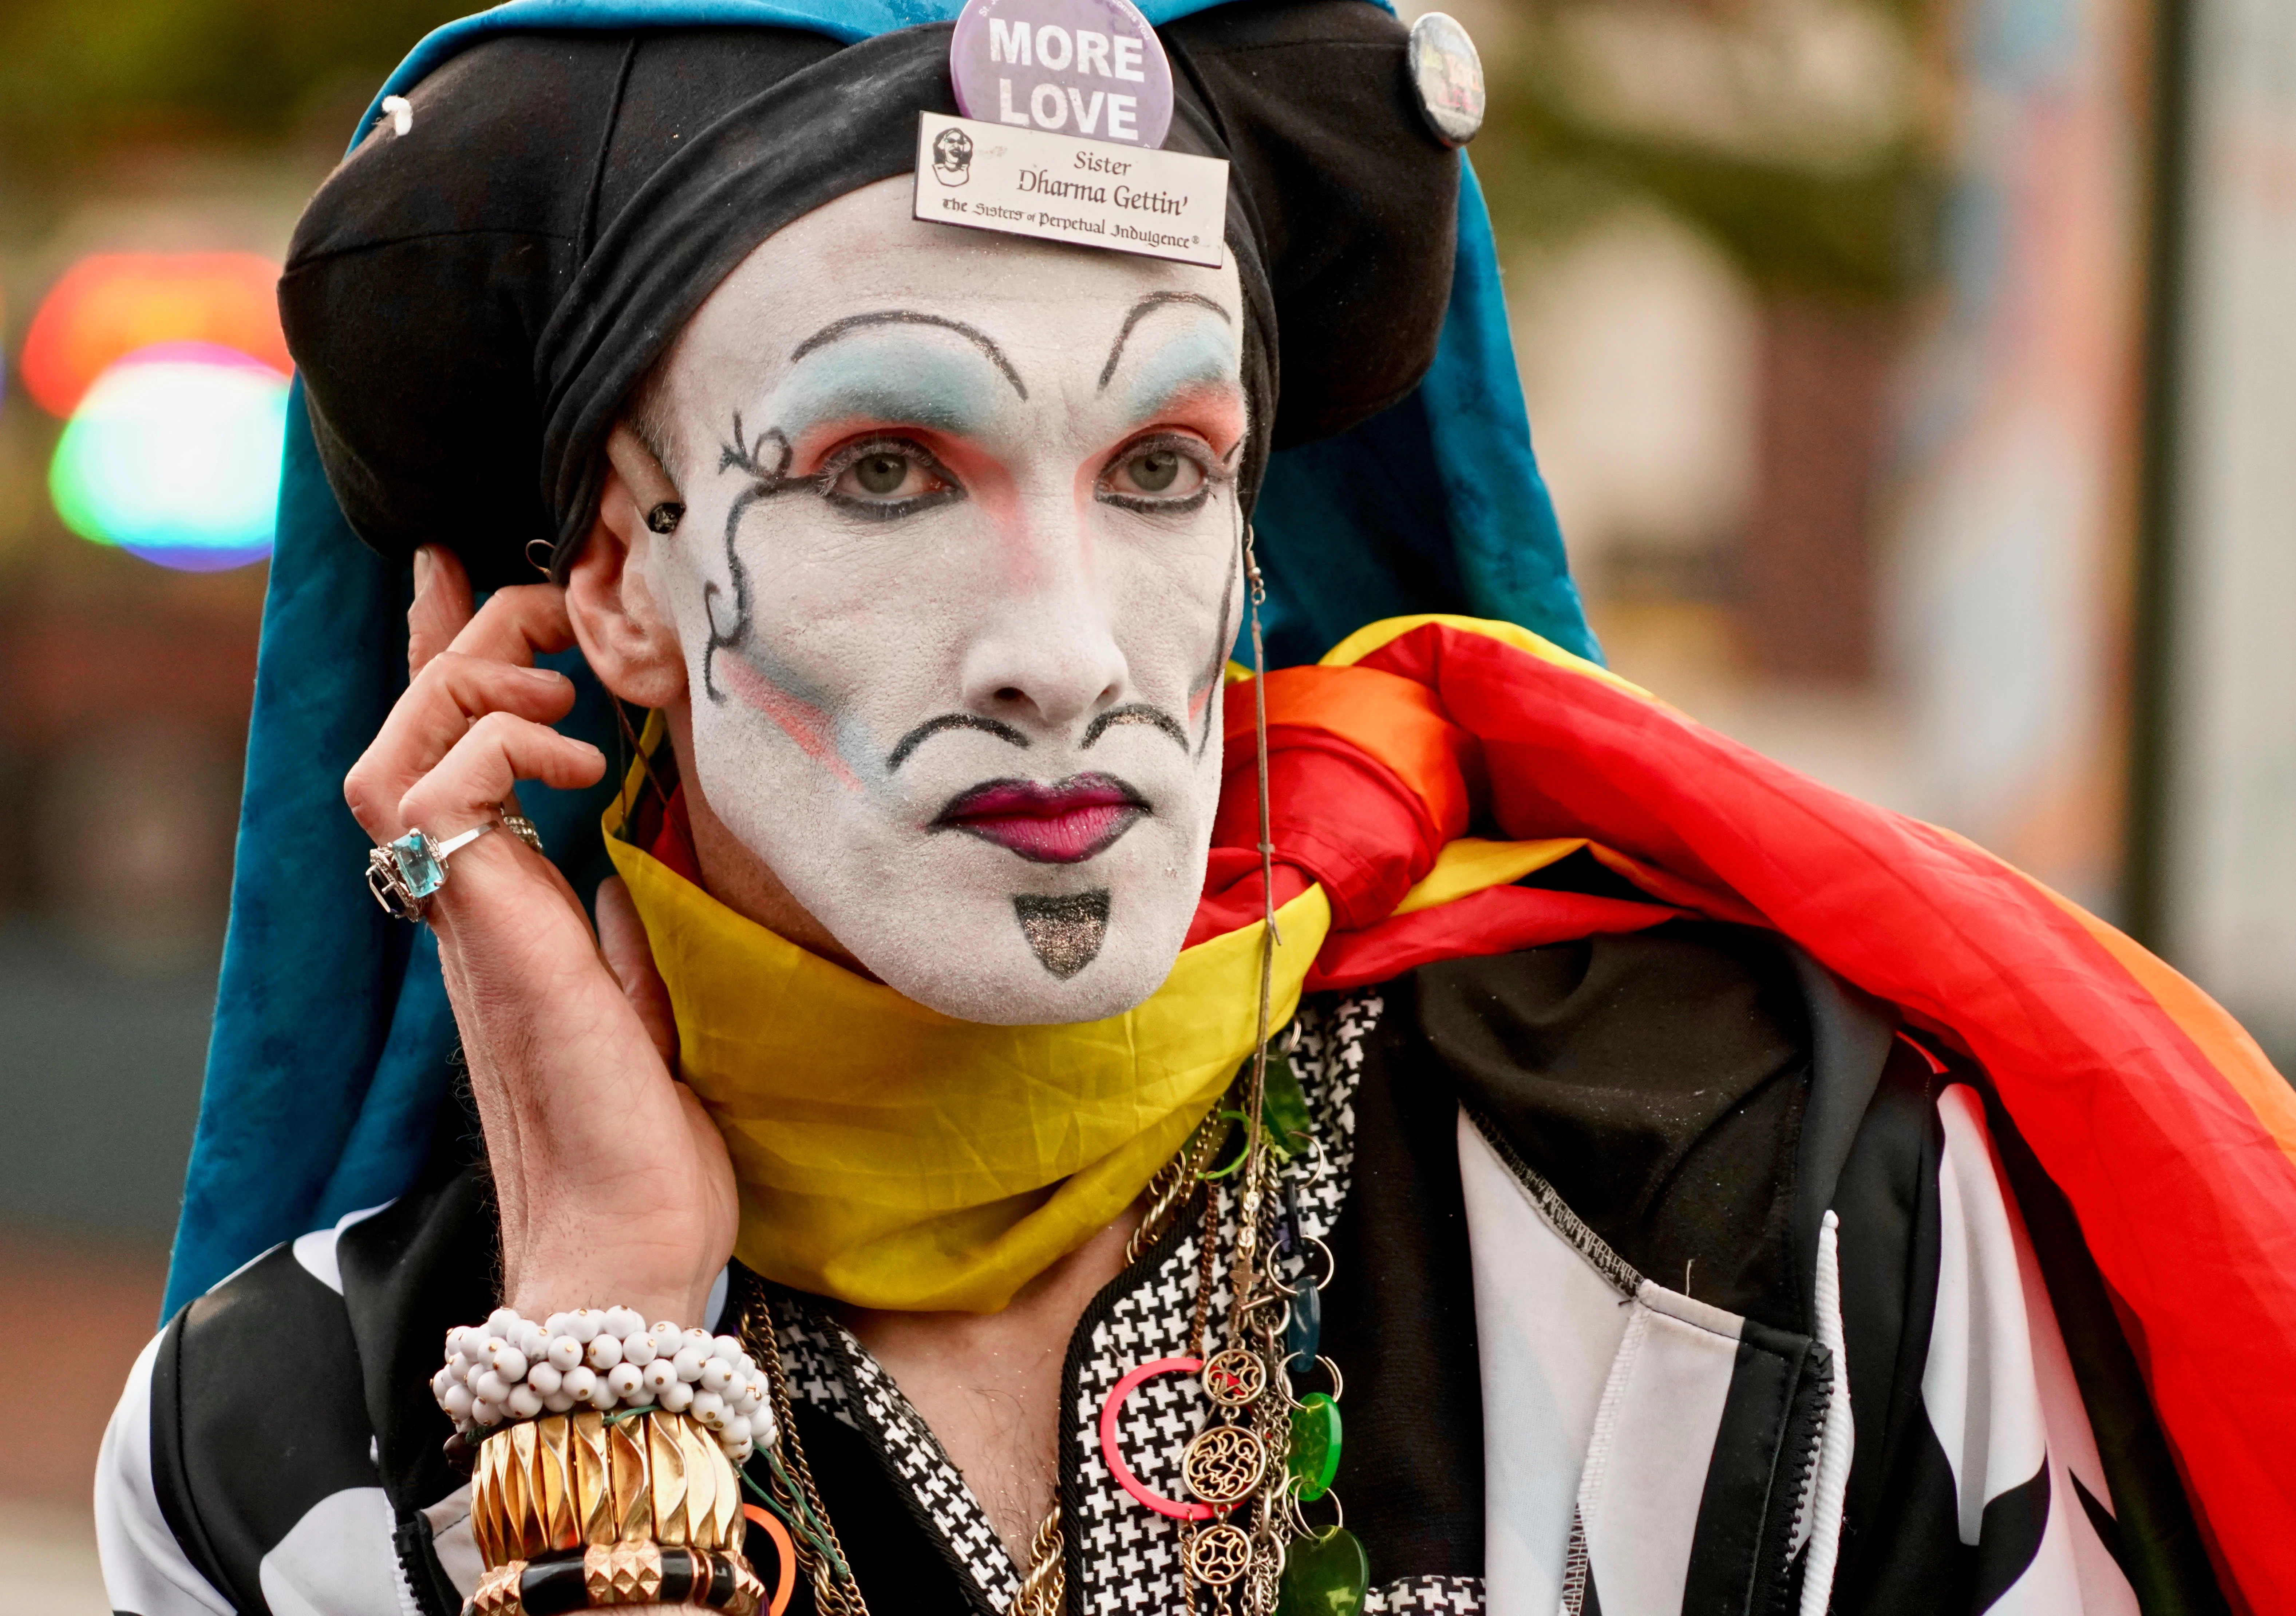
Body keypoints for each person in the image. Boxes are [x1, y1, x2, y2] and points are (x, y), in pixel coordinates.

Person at [93, 3, 2294, 1615]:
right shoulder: (287, 1444)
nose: (1067, 644)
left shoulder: (1775, 1210)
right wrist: (606, 1355)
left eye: (1162, 468)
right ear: (616, 588)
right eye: (884, 467)